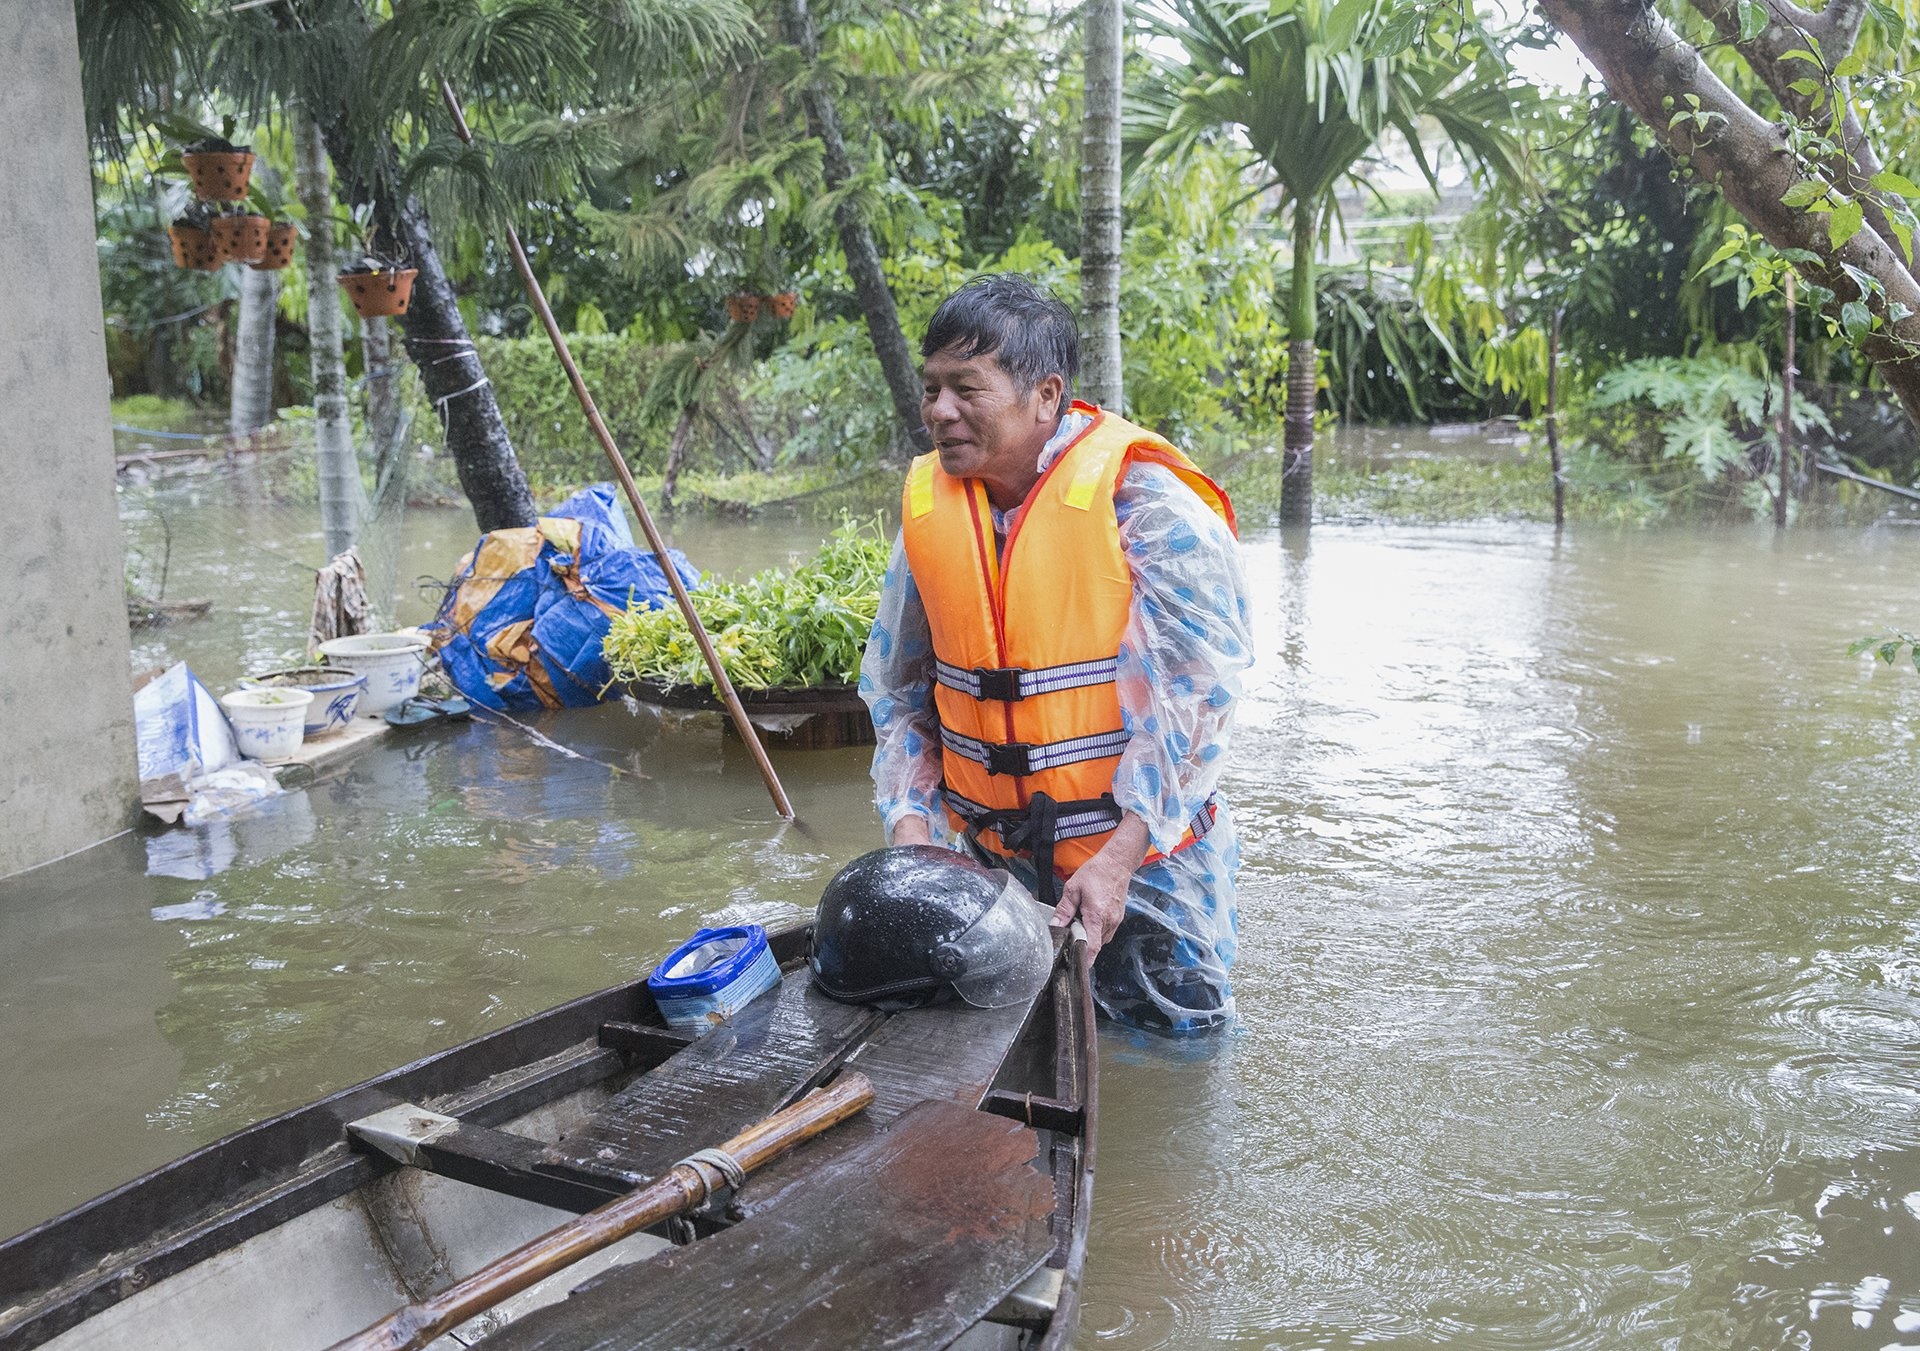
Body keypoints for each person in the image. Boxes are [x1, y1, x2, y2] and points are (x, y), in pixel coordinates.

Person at [858, 274, 1253, 1036]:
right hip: (999, 869)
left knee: (1166, 1071)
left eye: (965, 388)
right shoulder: (937, 513)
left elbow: (1195, 703)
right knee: (1017, 1068)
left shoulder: (1148, 508)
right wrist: (913, 833)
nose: (939, 411)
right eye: (931, 388)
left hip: (1148, 872)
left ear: (1046, 395)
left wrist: (1117, 860)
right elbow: (898, 690)